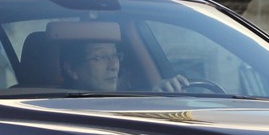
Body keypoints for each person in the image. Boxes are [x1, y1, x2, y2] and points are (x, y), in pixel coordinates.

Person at [60, 39, 189, 93]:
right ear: (71, 69)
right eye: (100, 57)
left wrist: (158, 97)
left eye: (115, 55)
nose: (113, 66)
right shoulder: (57, 115)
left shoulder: (130, 103)